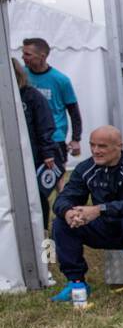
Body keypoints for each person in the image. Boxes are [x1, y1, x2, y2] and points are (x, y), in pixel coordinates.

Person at [50, 126, 123, 306]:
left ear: (119, 146)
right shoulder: (86, 168)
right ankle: (76, 283)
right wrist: (69, 212)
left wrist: (99, 209)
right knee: (61, 223)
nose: (96, 151)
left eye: (102, 146)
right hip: (109, 228)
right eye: (92, 145)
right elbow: (64, 198)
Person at [21, 37, 81, 190]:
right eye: (23, 54)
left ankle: (63, 210)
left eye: (28, 54)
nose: (23, 58)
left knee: (56, 179)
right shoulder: (21, 76)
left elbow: (73, 111)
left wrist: (75, 139)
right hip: (30, 136)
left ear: (42, 56)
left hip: (54, 137)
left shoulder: (60, 80)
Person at [12, 59, 59, 228]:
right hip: (10, 158)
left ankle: (42, 231)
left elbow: (45, 124)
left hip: (34, 157)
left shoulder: (31, 95)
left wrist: (47, 152)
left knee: (37, 195)